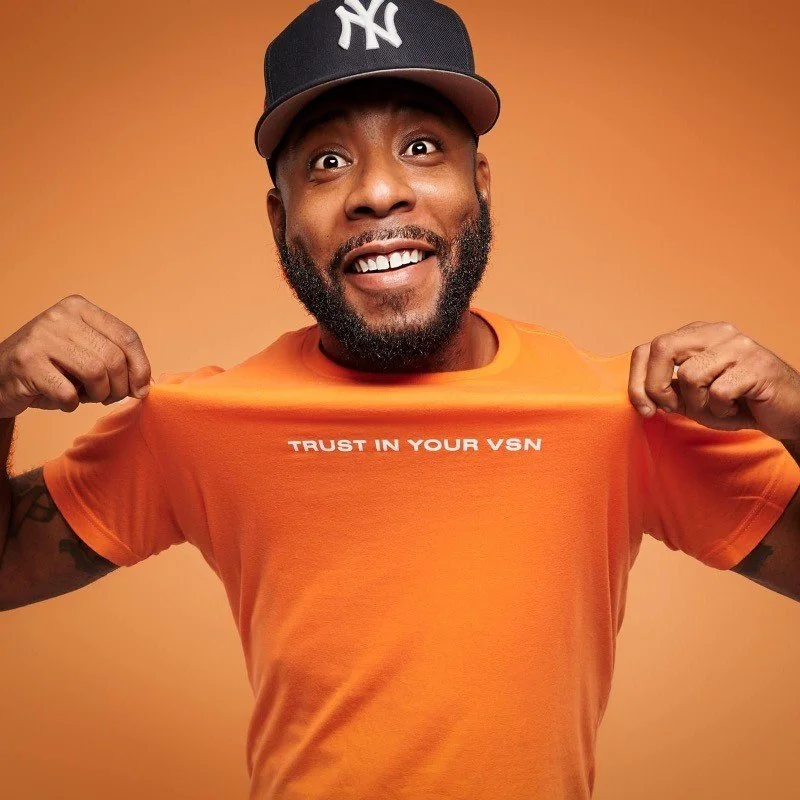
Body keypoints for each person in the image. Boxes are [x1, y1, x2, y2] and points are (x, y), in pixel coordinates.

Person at [2, 1, 800, 797]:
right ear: (281, 219)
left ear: (478, 184)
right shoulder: (197, 424)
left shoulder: (621, 412)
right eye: (326, 163)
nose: (379, 192)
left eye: (421, 148)